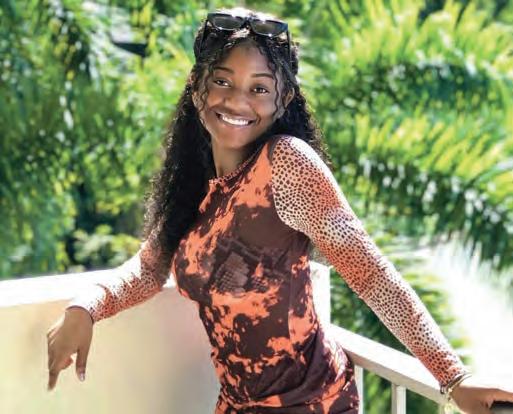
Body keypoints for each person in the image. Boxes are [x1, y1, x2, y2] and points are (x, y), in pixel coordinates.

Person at [46, 7, 513, 414]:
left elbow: (370, 273)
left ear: (282, 100)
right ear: (197, 89)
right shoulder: (196, 185)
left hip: (311, 404)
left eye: (259, 89)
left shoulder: (285, 165)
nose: (237, 100)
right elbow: (150, 268)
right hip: (237, 404)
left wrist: (453, 377)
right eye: (222, 81)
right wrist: (86, 306)